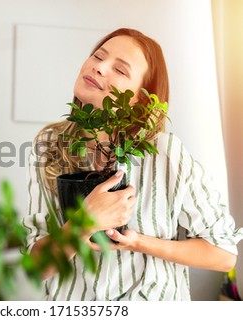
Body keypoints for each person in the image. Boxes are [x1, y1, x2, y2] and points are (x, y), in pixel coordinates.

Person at [23, 28, 243, 300]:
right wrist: (83, 223)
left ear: (139, 98)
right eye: (98, 56)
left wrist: (138, 242)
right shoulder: (49, 143)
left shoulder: (165, 152)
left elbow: (223, 255)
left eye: (121, 70)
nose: (99, 67)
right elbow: (36, 265)